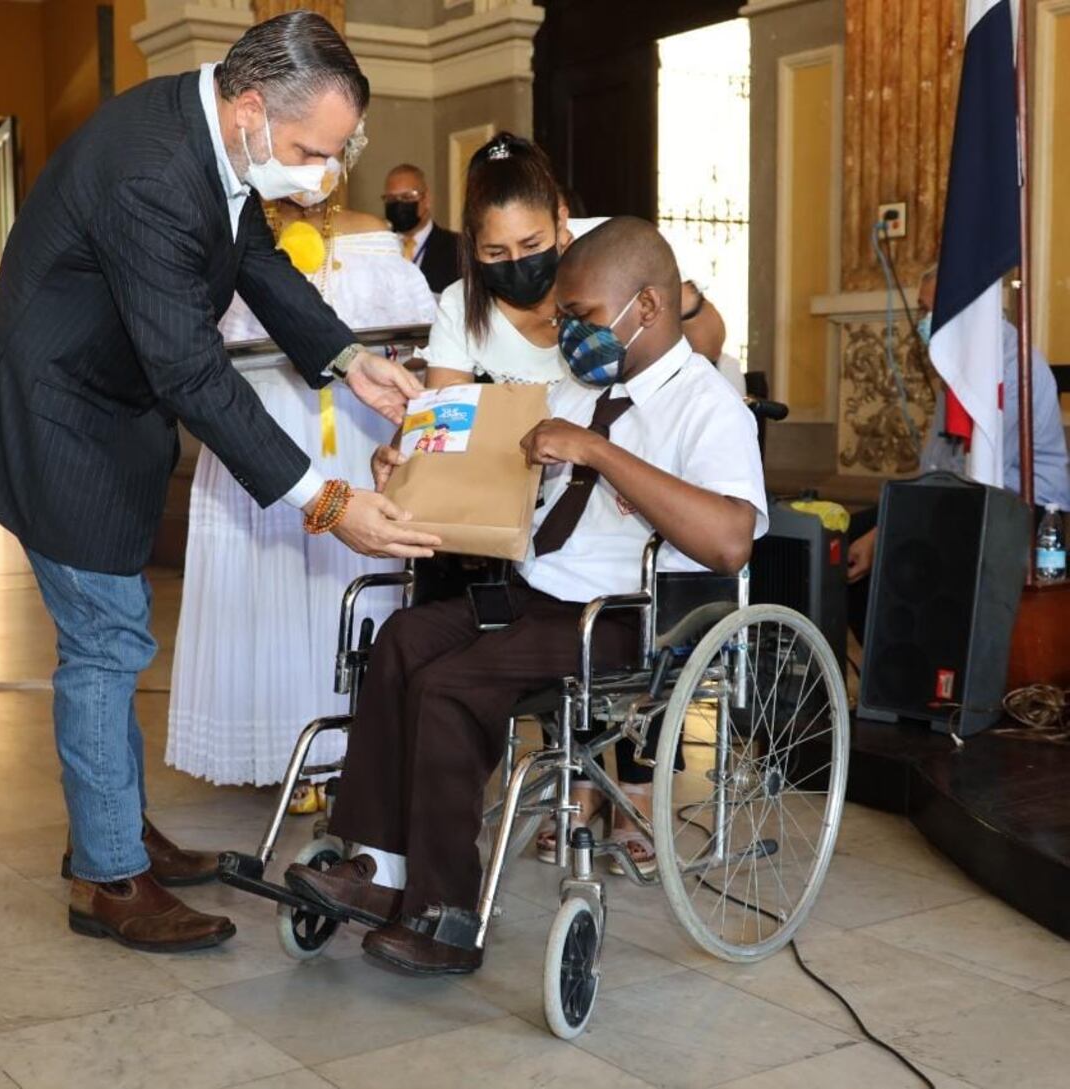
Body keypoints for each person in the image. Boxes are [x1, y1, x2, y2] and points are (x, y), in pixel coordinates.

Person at [0, 12, 439, 955]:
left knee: (114, 633)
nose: (323, 175)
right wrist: (328, 503)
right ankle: (107, 876)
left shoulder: (212, 135)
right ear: (252, 106)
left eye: (337, 154)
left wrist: (343, 360)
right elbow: (193, 375)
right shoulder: (151, 174)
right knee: (105, 643)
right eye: (312, 150)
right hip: (53, 417)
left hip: (101, 411)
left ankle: (115, 829)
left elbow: (250, 255)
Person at [286, 216, 768, 975]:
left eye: (582, 317)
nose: (571, 334)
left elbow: (731, 538)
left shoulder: (707, 407)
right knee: (404, 639)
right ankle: (380, 867)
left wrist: (601, 452)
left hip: (622, 617)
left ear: (646, 306)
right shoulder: (578, 393)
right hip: (535, 593)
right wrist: (408, 475)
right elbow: (502, 485)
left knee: (450, 684)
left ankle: (444, 914)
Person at [166, 185, 436, 795]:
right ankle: (279, 746)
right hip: (256, 427)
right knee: (266, 580)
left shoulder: (373, 236)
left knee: (347, 572)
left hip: (350, 428)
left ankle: (351, 747)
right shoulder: (235, 231)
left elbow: (412, 345)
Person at [846, 267, 1070, 642]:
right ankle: (885, 676)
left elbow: (978, 475)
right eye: (920, 309)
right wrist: (882, 525)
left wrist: (885, 533)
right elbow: (937, 464)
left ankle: (929, 671)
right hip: (961, 498)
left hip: (1028, 513)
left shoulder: (1014, 368)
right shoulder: (957, 361)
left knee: (901, 554)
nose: (922, 321)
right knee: (845, 538)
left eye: (928, 310)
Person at [382, 163, 460, 294]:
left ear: (427, 199)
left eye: (407, 197)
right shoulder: (377, 248)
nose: (399, 204)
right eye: (391, 199)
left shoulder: (458, 248)